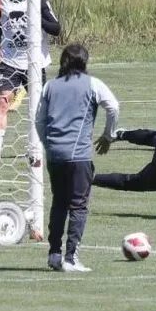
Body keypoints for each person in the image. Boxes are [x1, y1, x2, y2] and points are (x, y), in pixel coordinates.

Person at [36, 43, 120, 273]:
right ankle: (71, 258)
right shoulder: (92, 83)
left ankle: (54, 254)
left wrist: (49, 144)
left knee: (59, 202)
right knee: (79, 205)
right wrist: (108, 135)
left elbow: (39, 121)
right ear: (84, 62)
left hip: (55, 155)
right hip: (78, 155)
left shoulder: (50, 86)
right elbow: (113, 106)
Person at [0, 0, 61, 160]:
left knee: (38, 107)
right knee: (2, 100)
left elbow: (56, 28)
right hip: (9, 61)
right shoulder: (3, 0)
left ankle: (35, 146)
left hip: (34, 62)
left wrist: (36, 16)